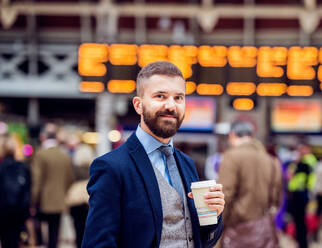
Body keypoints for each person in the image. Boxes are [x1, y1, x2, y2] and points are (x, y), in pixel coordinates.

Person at [82, 61, 224, 247]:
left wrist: (214, 214)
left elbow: (195, 236)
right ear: (138, 105)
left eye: (178, 98)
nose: (171, 106)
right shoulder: (112, 167)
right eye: (160, 96)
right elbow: (97, 244)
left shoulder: (187, 163)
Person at [218, 121, 282, 248]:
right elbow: (276, 198)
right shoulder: (271, 160)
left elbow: (224, 196)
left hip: (237, 230)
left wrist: (218, 226)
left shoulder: (231, 157)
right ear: (252, 136)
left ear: (232, 135)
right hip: (264, 231)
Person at [31, 123, 75, 248]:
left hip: (43, 201)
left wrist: (32, 202)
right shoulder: (65, 156)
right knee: (54, 234)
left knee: (40, 235)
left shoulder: (40, 154)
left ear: (43, 137)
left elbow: (37, 180)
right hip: (60, 200)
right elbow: (70, 179)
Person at [0, 134, 31, 248]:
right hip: (19, 213)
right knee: (15, 241)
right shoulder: (23, 167)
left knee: (5, 240)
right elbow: (28, 191)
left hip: (3, 212)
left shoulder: (1, 167)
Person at [286, 141, 316, 248]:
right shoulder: (299, 162)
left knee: (301, 220)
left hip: (301, 194)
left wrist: (295, 166)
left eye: (301, 149)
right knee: (298, 220)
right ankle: (300, 241)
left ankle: (302, 243)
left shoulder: (308, 161)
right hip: (296, 193)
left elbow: (301, 172)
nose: (300, 151)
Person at [66, 144, 95, 248]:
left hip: (75, 202)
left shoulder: (73, 169)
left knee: (78, 230)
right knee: (88, 230)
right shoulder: (94, 168)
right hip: (89, 201)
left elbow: (68, 182)